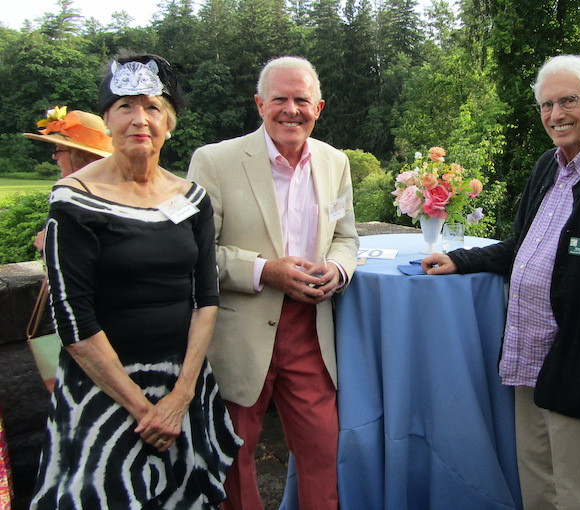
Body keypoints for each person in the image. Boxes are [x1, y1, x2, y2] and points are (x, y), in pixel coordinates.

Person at [422, 55, 580, 509]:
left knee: (576, 480)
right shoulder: (548, 166)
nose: (555, 115)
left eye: (567, 101)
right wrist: (459, 259)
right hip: (529, 345)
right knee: (534, 472)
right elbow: (519, 246)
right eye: (546, 105)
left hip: (577, 352)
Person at [30, 54, 241, 509]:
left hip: (183, 387)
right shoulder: (74, 199)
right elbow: (73, 320)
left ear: (171, 122)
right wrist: (146, 412)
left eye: (152, 106)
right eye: (125, 106)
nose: (139, 119)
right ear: (107, 118)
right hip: (105, 392)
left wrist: (181, 396)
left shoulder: (191, 197)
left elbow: (206, 297)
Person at [187, 56, 359, 510]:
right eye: (279, 98)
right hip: (239, 331)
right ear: (259, 104)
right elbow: (197, 253)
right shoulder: (214, 160)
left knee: (323, 451)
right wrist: (267, 270)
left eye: (301, 99)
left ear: (318, 107)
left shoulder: (335, 162)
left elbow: (346, 238)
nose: (291, 109)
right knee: (235, 458)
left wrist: (337, 270)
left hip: (311, 329)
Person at [23, 107, 114, 251]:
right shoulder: (114, 191)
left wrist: (50, 245)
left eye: (58, 149)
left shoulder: (74, 200)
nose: (54, 156)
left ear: (82, 157)